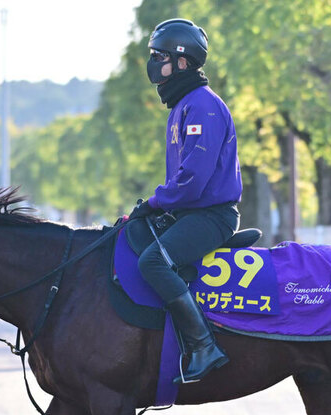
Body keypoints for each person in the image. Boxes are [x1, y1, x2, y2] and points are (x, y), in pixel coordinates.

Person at [132, 18, 242, 384]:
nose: (153, 64)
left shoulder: (202, 107)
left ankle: (203, 346)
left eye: (158, 56)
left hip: (211, 216)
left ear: (182, 62)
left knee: (154, 262)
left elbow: (192, 182)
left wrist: (154, 202)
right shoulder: (183, 105)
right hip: (190, 213)